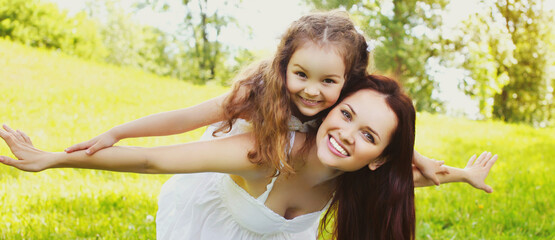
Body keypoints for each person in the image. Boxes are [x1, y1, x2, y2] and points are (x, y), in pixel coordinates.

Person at [0, 75, 498, 239]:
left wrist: (461, 174)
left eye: (367, 136)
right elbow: (153, 162)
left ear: (377, 160)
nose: (345, 134)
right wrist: (52, 160)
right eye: (345, 114)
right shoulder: (264, 153)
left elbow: (409, 180)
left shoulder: (361, 180)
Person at [63, 10, 446, 184]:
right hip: (243, 164)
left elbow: (377, 128)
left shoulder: (347, 100)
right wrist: (118, 133)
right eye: (300, 75)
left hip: (293, 175)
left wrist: (421, 159)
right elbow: (185, 118)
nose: (312, 91)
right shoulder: (256, 92)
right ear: (283, 67)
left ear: (348, 81)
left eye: (327, 81)